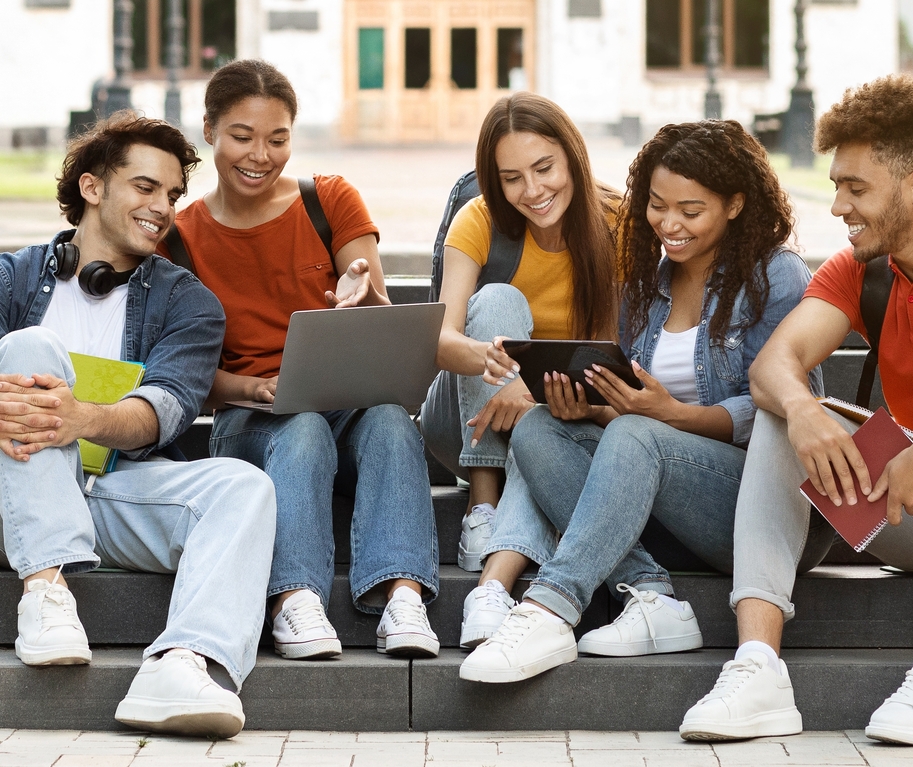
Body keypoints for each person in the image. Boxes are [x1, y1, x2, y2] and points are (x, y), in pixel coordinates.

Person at [679, 74, 913, 746]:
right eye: (837, 185)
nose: (837, 205)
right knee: (785, 408)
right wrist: (806, 411)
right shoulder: (858, 269)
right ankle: (758, 667)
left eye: (855, 187)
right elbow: (771, 365)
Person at [458, 120, 823, 682]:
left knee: (636, 434)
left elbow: (790, 411)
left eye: (690, 211)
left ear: (735, 204)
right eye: (656, 205)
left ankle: (551, 605)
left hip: (761, 507)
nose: (668, 225)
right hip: (662, 499)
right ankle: (652, 596)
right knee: (538, 429)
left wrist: (668, 417)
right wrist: (592, 405)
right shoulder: (645, 283)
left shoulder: (776, 277)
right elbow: (632, 404)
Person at [0, 112, 277, 738]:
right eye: (146, 187)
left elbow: (166, 410)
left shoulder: (187, 302)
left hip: (109, 493)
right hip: (8, 492)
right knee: (30, 350)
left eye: (174, 195)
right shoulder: (11, 278)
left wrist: (78, 419)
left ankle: (185, 664)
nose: (164, 208)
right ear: (94, 187)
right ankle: (45, 591)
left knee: (243, 486)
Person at [162, 59, 440, 660]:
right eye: (242, 136)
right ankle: (292, 600)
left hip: (347, 406)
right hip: (249, 418)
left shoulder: (329, 199)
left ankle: (403, 596)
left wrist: (362, 298)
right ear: (208, 130)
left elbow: (387, 323)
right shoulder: (180, 239)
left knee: (391, 422)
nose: (260, 155)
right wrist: (246, 387)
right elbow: (180, 377)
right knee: (302, 426)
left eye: (278, 138)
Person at [419, 92, 620, 640]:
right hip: (463, 413)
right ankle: (482, 509)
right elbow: (439, 338)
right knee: (498, 303)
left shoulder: (618, 224)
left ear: (573, 158)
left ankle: (494, 590)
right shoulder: (479, 218)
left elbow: (622, 356)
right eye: (512, 177)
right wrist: (496, 362)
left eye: (544, 168)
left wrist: (530, 394)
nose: (532, 191)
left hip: (561, 410)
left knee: (541, 430)